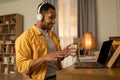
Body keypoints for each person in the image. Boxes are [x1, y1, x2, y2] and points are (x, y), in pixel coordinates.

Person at [15, 3, 74, 80]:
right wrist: (44, 58)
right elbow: (21, 66)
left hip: (58, 75)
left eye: (54, 18)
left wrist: (61, 55)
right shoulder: (24, 38)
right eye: (51, 17)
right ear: (40, 17)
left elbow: (53, 59)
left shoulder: (53, 35)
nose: (54, 21)